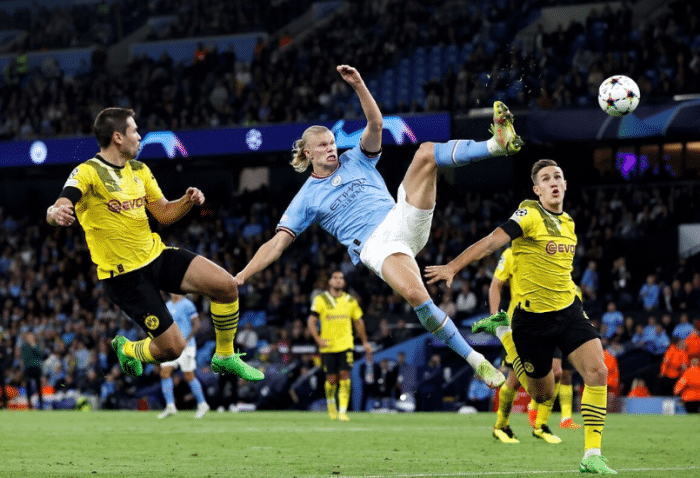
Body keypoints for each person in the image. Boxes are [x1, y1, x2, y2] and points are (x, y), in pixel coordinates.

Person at [234, 65, 523, 391]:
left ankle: (497, 145)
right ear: (307, 152)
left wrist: (359, 84)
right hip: (376, 246)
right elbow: (276, 244)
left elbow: (376, 124)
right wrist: (244, 274)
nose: (331, 148)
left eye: (332, 143)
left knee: (426, 152)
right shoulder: (306, 199)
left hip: (400, 217)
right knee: (417, 295)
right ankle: (476, 360)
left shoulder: (356, 157)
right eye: (323, 145)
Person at [46, 107, 262, 384]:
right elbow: (62, 201)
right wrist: (55, 212)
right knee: (173, 349)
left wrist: (187, 201)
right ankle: (128, 349)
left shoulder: (139, 169)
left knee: (226, 286)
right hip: (125, 277)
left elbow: (163, 213)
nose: (139, 136)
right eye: (134, 131)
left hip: (155, 256)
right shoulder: (89, 171)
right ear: (117, 137)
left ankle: (225, 355)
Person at [425, 159, 616, 474]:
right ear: (537, 190)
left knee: (598, 371)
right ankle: (506, 337)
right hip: (532, 322)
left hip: (568, 311)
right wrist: (453, 267)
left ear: (565, 185)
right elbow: (491, 242)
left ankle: (592, 454)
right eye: (546, 178)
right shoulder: (529, 214)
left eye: (557, 176)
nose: (553, 182)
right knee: (543, 394)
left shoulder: (569, 223)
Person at [487, 247, 563, 445]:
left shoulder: (549, 250)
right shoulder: (511, 254)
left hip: (549, 322)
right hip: (521, 325)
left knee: (556, 372)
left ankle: (540, 425)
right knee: (515, 380)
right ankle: (501, 426)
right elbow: (496, 285)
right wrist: (495, 318)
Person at [307, 270, 372, 421]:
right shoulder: (321, 300)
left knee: (345, 376)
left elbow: (359, 322)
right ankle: (331, 403)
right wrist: (318, 339)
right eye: (335, 278)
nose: (338, 280)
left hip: (346, 344)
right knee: (331, 379)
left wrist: (365, 342)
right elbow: (311, 321)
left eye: (341, 278)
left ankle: (342, 411)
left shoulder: (350, 300)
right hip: (328, 346)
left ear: (344, 282)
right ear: (329, 281)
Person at [157, 293, 210, 419]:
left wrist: (186, 340)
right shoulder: (167, 305)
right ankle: (170, 406)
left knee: (189, 376)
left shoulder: (187, 304)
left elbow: (197, 324)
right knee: (164, 373)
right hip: (171, 346)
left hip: (186, 347)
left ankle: (202, 404)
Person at [20, 331, 43, 410]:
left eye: (31, 337)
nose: (30, 338)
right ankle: (29, 404)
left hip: (36, 368)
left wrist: (34, 347)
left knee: (38, 386)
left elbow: (40, 355)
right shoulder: (24, 347)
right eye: (28, 337)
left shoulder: (37, 345)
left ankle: (41, 404)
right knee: (28, 386)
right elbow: (25, 357)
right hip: (28, 368)